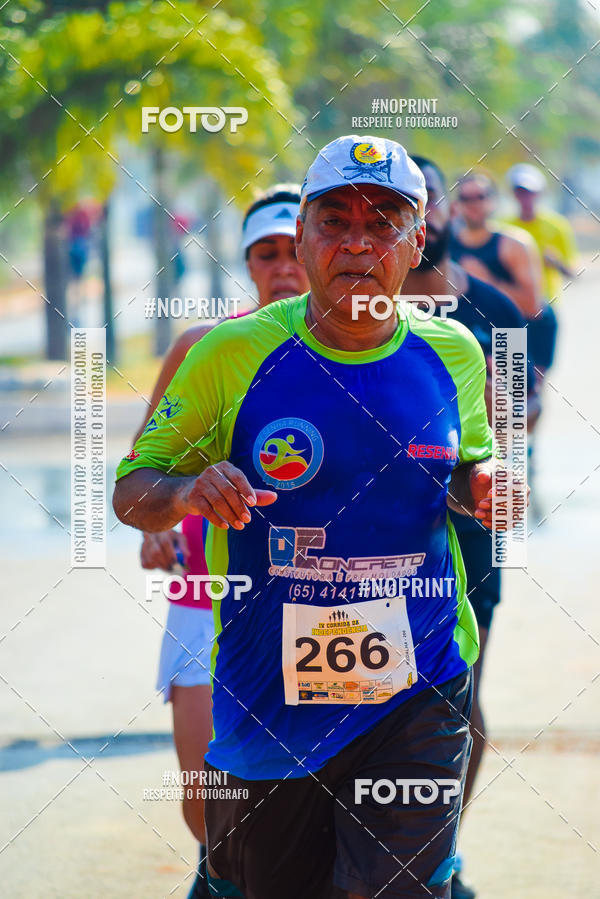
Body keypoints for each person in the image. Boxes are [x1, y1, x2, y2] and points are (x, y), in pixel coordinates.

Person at [114, 135, 524, 899]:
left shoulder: (455, 351)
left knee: (398, 889)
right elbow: (132, 489)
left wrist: (487, 482)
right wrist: (188, 491)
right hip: (269, 696)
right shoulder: (230, 353)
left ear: (417, 242)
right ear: (303, 236)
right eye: (335, 222)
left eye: (383, 224)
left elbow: (468, 463)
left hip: (419, 683)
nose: (358, 244)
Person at [134, 184, 309, 899]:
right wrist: (164, 521)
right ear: (247, 262)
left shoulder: (365, 352)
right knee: (207, 804)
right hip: (207, 593)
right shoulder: (200, 346)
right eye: (266, 253)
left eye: (295, 249)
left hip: (314, 601)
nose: (284, 266)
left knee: (310, 802)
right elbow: (146, 470)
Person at [404, 156, 539, 899]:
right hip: (365, 533)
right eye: (403, 208)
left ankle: (438, 847)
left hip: (471, 528)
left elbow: (516, 421)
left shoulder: (494, 310)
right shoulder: (349, 307)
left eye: (429, 202)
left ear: (449, 211)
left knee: (457, 689)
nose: (420, 219)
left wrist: (489, 424)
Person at [505, 162, 578, 375]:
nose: (525, 198)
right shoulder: (503, 226)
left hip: (544, 309)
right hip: (511, 309)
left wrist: (556, 262)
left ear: (539, 194)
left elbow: (573, 271)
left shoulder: (557, 226)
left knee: (538, 374)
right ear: (514, 194)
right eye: (520, 192)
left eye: (530, 192)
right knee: (513, 375)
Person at [449, 172, 543, 321]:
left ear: (492, 200)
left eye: (480, 197)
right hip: (464, 330)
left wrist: (488, 282)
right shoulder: (445, 247)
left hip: (506, 331)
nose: (473, 204)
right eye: (466, 198)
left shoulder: (514, 244)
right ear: (456, 205)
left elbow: (533, 308)